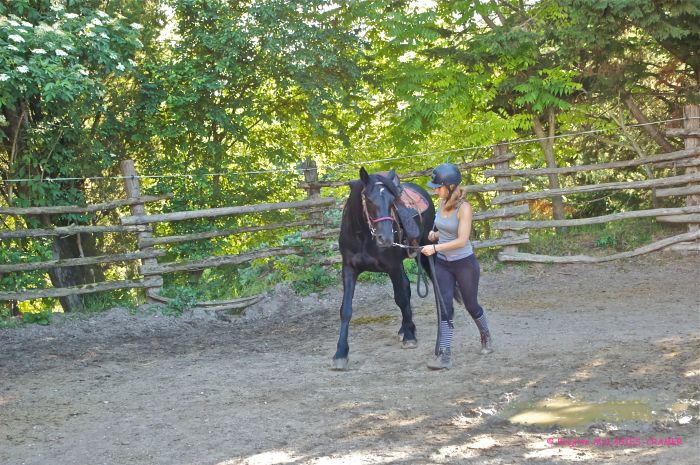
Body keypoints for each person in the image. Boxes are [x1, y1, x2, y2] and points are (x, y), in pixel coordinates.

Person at [421, 163, 493, 370]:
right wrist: (434, 236)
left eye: (438, 186)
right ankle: (444, 354)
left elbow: (462, 240)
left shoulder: (465, 208)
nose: (435, 190)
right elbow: (442, 229)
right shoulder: (442, 204)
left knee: (471, 305)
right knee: (445, 307)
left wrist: (435, 248)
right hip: (443, 263)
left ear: (450, 186)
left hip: (464, 264)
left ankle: (485, 334)